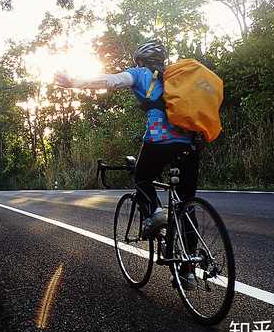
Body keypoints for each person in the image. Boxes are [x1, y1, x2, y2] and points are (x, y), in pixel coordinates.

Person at [54, 39, 199, 288]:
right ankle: (188, 269)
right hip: (191, 143)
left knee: (142, 176)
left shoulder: (141, 74)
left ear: (141, 61)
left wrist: (74, 82)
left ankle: (155, 213)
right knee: (186, 203)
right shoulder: (179, 77)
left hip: (159, 140)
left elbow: (110, 80)